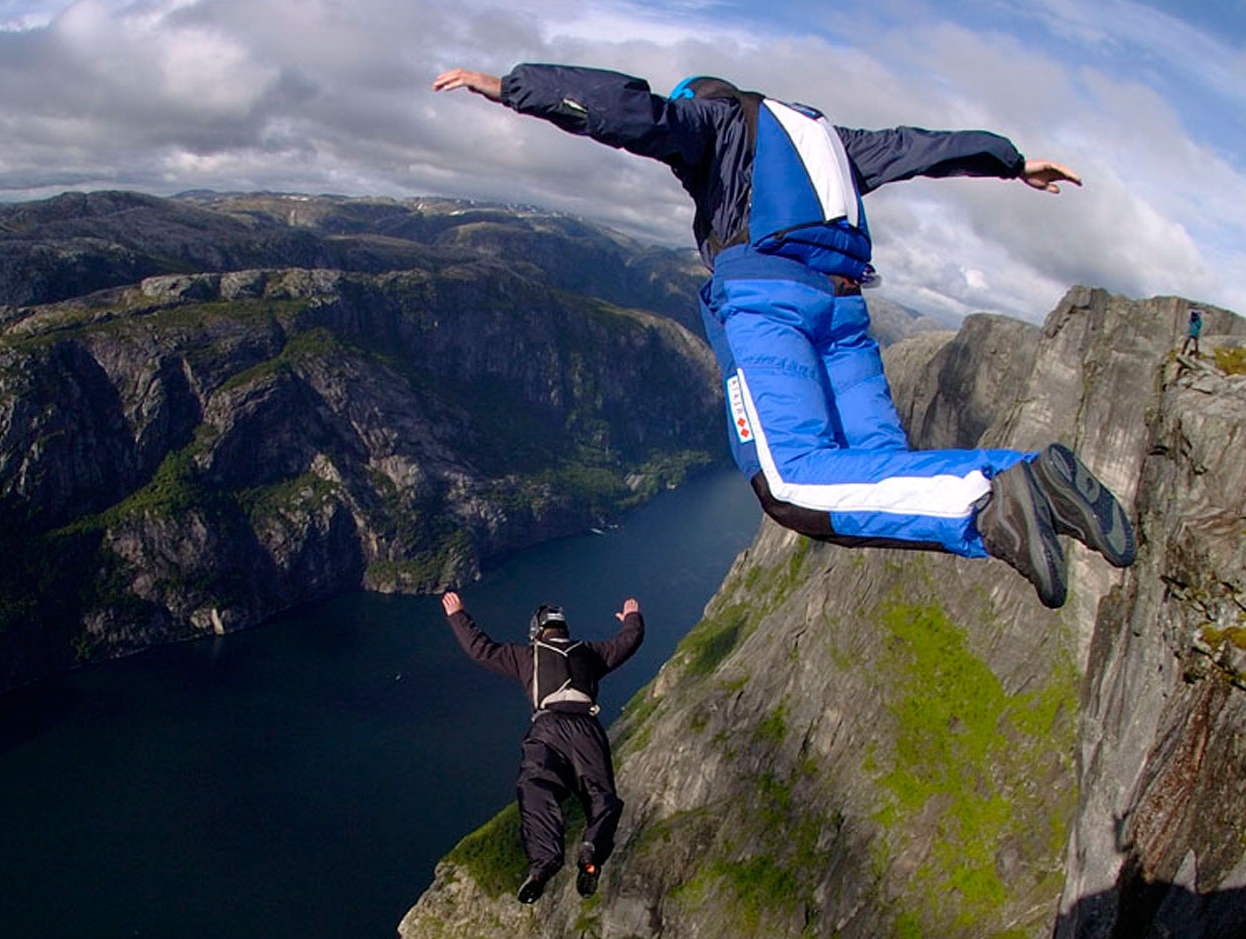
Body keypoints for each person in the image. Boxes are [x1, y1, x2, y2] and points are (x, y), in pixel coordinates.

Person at [433, 64, 1134, 609]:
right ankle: (1036, 489)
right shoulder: (829, 138)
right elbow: (919, 148)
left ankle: (1004, 485)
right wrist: (1008, 160)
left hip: (772, 305)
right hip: (846, 314)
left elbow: (633, 113)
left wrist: (514, 89)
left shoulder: (718, 120)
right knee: (877, 479)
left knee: (793, 483)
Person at [442, 590, 643, 903]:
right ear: (564, 629)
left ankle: (543, 863)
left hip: (547, 728)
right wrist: (631, 617)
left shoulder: (526, 655)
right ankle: (591, 851)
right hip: (586, 729)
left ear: (537, 631)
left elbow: (480, 649)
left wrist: (458, 616)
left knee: (536, 787)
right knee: (600, 795)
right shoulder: (590, 652)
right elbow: (629, 641)